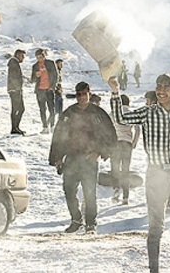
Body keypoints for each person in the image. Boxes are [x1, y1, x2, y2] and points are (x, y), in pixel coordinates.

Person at [109, 73, 170, 273]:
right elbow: (120, 117)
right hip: (156, 175)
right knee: (155, 227)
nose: (161, 90)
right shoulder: (148, 113)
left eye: (166, 87)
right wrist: (116, 91)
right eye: (158, 86)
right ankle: (154, 270)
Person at [49, 81, 117, 235]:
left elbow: (110, 134)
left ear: (89, 93)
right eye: (78, 94)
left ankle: (91, 224)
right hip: (72, 158)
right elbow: (59, 135)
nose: (80, 97)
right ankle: (76, 219)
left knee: (89, 192)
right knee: (68, 190)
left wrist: (99, 152)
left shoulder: (98, 113)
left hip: (89, 159)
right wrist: (58, 157)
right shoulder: (69, 113)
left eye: (83, 94)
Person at [110, 94, 139, 205]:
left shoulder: (114, 113)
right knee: (126, 169)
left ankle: (116, 188)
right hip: (127, 143)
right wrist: (134, 143)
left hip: (115, 143)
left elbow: (107, 127)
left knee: (115, 167)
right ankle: (125, 197)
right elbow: (137, 129)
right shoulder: (132, 113)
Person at [30, 48, 58, 134]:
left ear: (44, 56)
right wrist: (36, 75)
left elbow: (56, 75)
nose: (39, 59)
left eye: (41, 57)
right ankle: (45, 127)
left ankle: (52, 126)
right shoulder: (35, 66)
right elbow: (32, 80)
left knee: (52, 109)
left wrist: (52, 87)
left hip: (49, 89)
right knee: (42, 109)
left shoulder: (50, 63)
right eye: (38, 57)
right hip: (40, 90)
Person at [7, 49, 26, 135]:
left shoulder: (14, 63)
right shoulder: (14, 63)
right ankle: (14, 128)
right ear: (18, 55)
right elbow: (13, 77)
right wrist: (17, 88)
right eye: (22, 56)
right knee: (17, 109)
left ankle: (16, 127)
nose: (23, 58)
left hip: (15, 89)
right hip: (15, 90)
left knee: (19, 108)